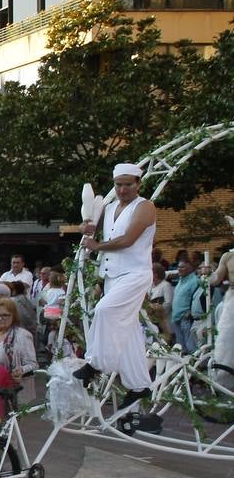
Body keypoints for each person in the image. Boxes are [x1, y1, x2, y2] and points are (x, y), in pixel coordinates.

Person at [74, 163, 159, 402]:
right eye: (118, 185)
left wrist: (97, 246)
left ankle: (96, 364)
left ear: (138, 184)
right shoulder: (110, 207)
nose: (122, 189)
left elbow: (128, 239)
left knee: (104, 310)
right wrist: (86, 227)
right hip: (112, 275)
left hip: (135, 275)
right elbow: (92, 227)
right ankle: (139, 385)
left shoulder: (145, 207)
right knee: (130, 333)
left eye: (128, 184)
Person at [0, 299, 38, 402]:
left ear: (13, 316)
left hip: (12, 390)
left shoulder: (22, 335)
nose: (0, 318)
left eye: (5, 315)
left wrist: (21, 370)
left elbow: (33, 363)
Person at [171, 258, 201, 356]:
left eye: (183, 267)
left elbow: (197, 298)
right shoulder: (181, 280)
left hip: (186, 317)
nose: (179, 269)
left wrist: (190, 312)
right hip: (176, 317)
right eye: (179, 267)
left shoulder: (195, 281)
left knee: (190, 346)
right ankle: (184, 368)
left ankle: (194, 366)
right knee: (181, 348)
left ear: (191, 268)